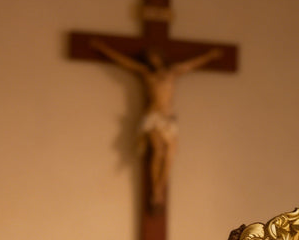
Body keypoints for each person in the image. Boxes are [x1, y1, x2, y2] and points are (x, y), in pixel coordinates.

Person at [90, 39, 222, 208]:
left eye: (154, 56)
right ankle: (156, 191)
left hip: (168, 119)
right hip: (153, 118)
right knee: (158, 151)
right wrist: (103, 48)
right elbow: (124, 62)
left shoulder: (173, 72)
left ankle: (159, 187)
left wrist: (210, 56)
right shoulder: (146, 73)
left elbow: (192, 64)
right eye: (149, 58)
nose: (152, 60)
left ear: (161, 57)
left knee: (170, 154)